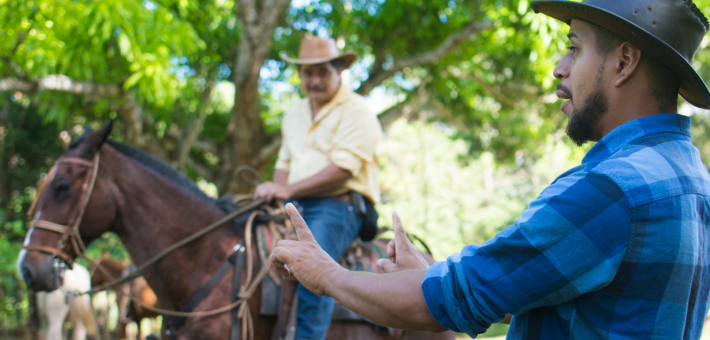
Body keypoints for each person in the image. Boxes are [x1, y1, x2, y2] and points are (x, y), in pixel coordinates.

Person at [269, 0, 710, 339]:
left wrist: (325, 273)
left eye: (575, 47)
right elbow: (574, 296)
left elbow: (437, 306)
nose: (560, 67)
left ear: (624, 62)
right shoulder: (690, 176)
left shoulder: (612, 190)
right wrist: (431, 272)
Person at [253, 36, 382, 340]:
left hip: (340, 204)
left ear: (339, 70)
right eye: (307, 73)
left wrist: (287, 191)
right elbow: (283, 165)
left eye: (322, 72)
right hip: (295, 205)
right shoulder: (293, 115)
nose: (314, 80)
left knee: (313, 272)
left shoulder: (357, 111)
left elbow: (342, 170)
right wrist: (276, 192)